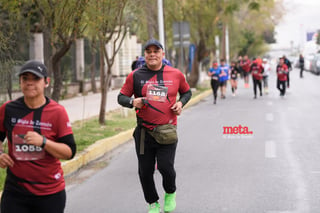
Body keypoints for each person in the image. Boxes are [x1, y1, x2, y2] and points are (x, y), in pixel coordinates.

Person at [117, 39, 192, 213]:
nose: (152, 54)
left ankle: (170, 193)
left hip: (167, 131)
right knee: (145, 171)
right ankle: (152, 203)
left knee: (166, 167)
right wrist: (132, 102)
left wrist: (181, 103)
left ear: (162, 54)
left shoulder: (175, 74)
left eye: (156, 51)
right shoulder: (135, 75)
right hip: (144, 132)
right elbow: (121, 97)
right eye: (148, 51)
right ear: (144, 55)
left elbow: (187, 92)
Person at [0, 60, 76, 213]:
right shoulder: (8, 109)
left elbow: (69, 152)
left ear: (46, 82)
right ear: (20, 82)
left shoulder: (57, 112)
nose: (29, 83)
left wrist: (43, 142)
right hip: (15, 191)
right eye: (25, 79)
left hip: (49, 193)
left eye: (35, 79)